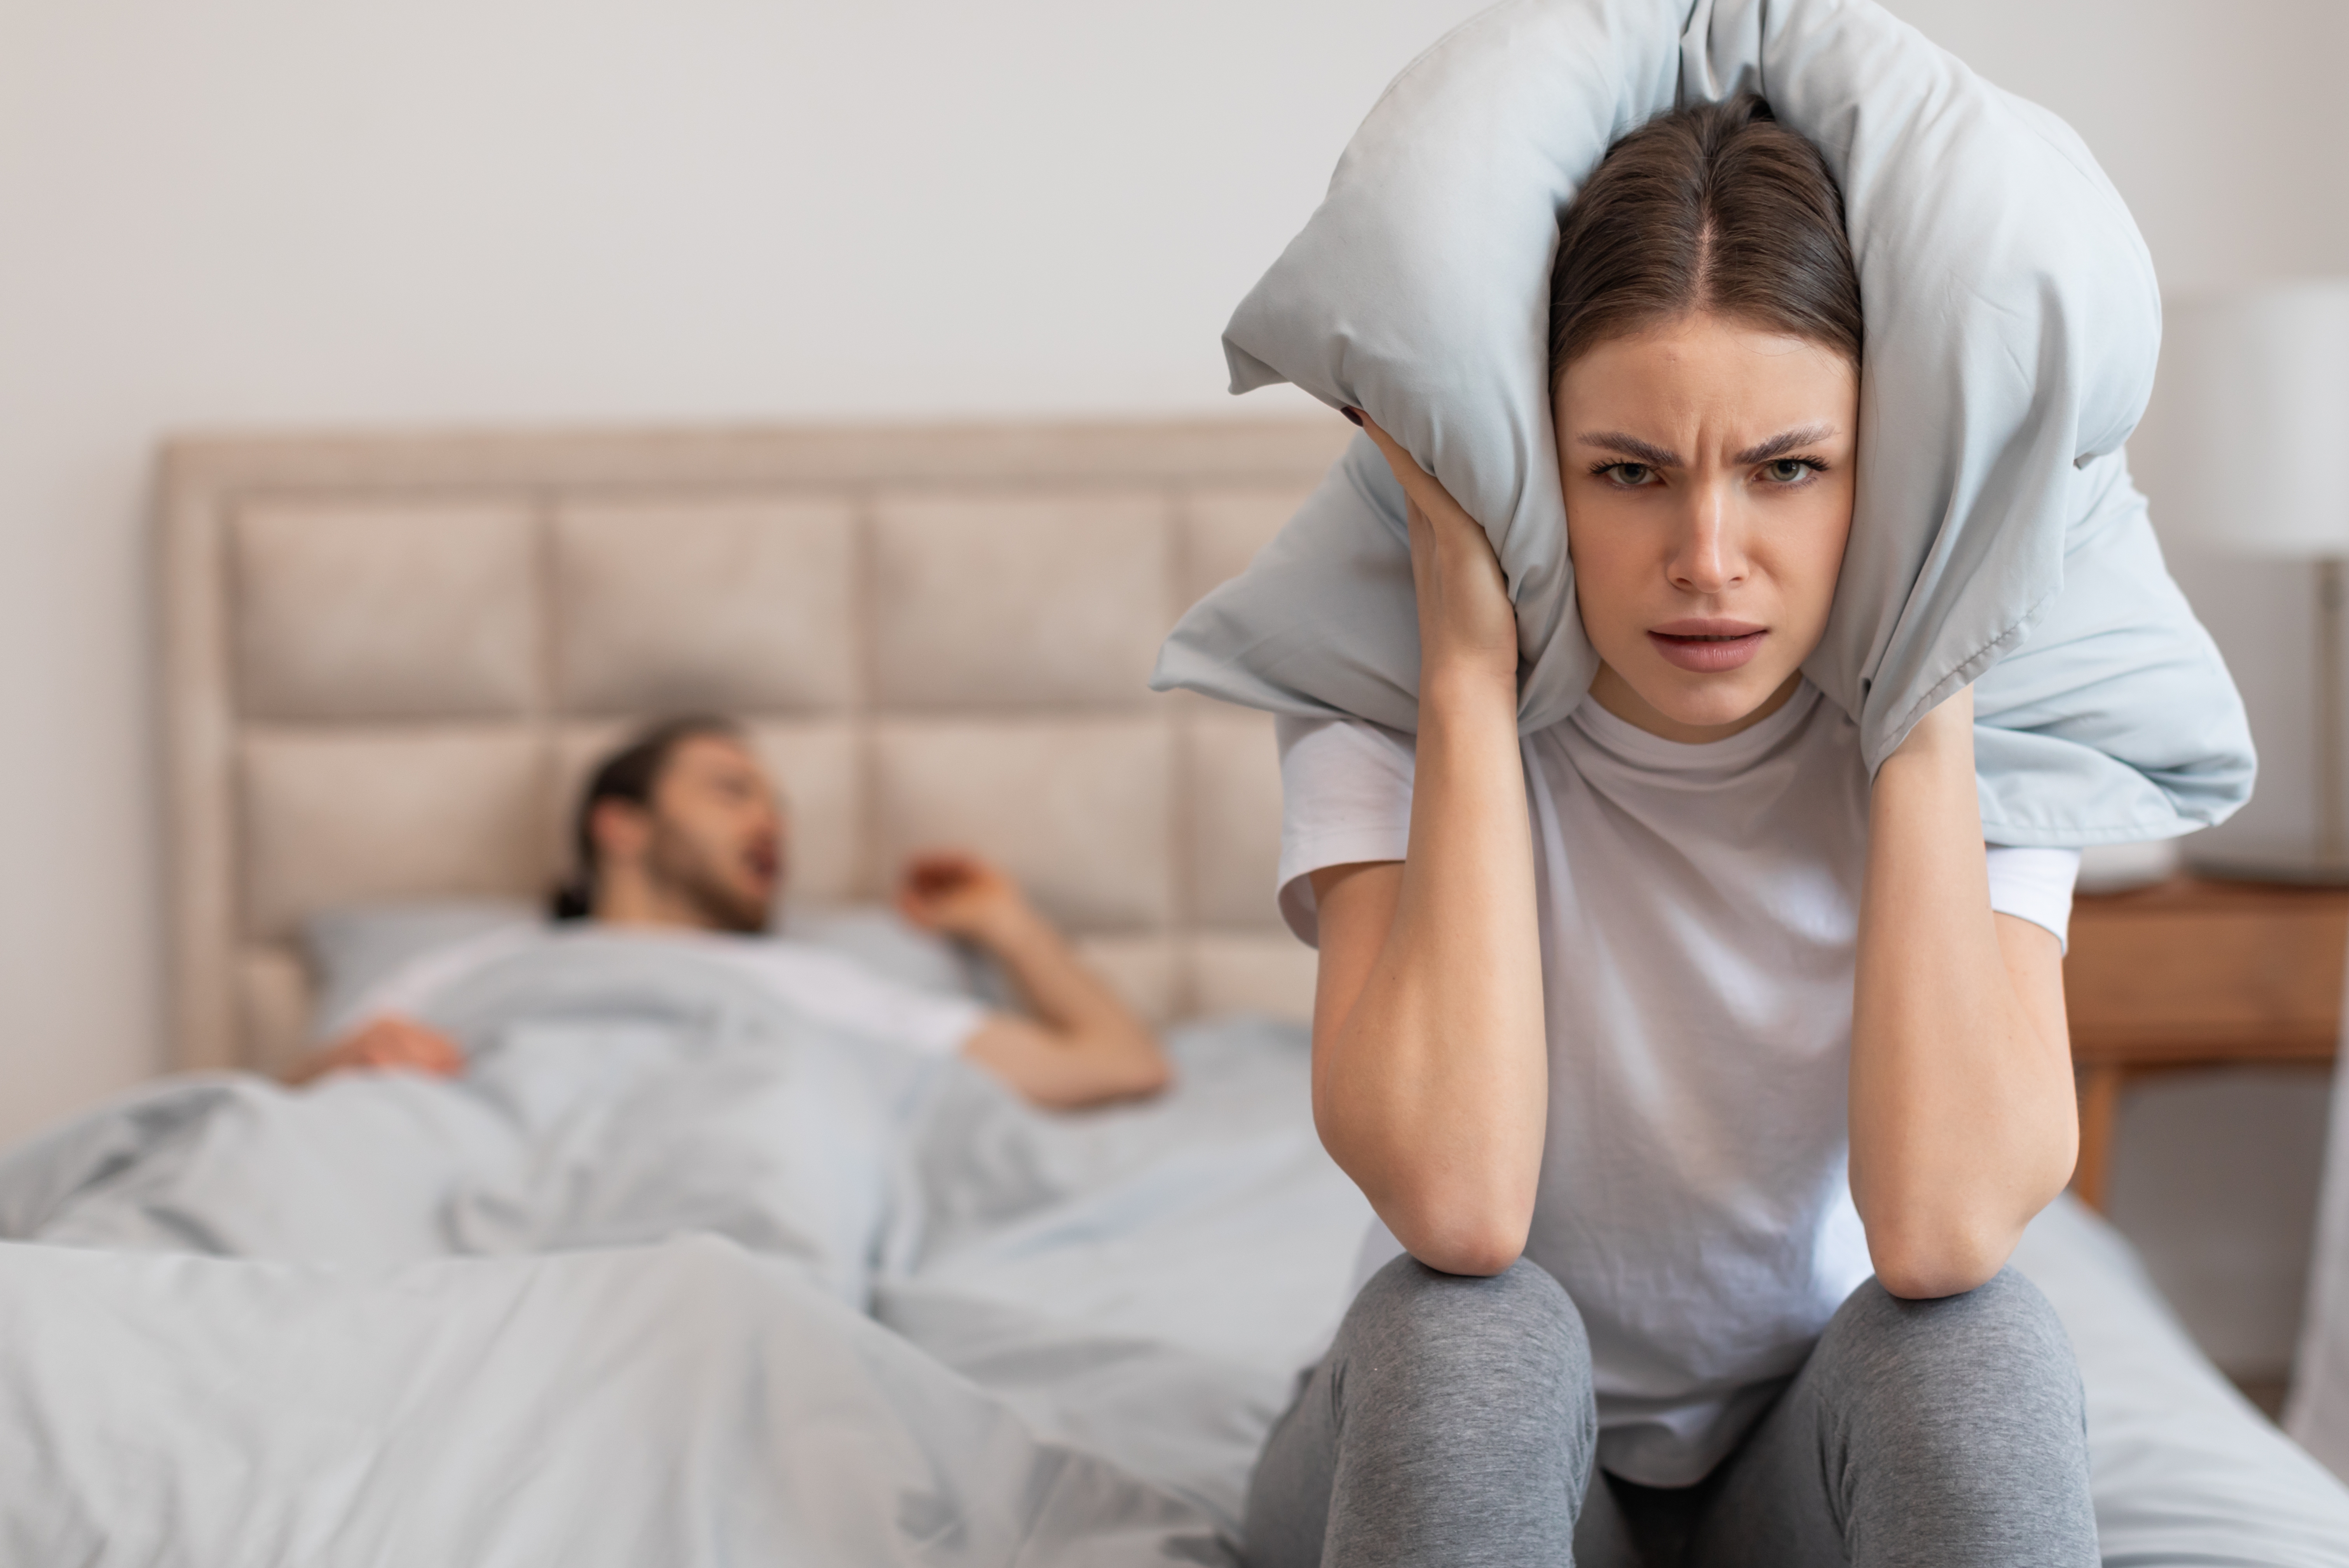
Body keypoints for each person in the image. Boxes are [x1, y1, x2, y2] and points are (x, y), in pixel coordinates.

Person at [1245, 95, 2096, 1567]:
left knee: (1977, 1350)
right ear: (1534, 466)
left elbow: (1943, 1228)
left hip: (1800, 1464)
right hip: (1472, 1453)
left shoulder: (1992, 723)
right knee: (1467, 1343)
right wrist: (1461, 662)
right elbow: (1456, 1206)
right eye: (1627, 472)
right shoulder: (1379, 701)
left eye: (1787, 468)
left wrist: (1923, 678)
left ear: (1875, 476)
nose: (1706, 561)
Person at [286, 715, 1171, 1110]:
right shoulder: (471, 968)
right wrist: (353, 1060)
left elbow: (1120, 1066)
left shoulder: (812, 984)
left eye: (778, 806)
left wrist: (1008, 926)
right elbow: (285, 1103)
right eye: (730, 791)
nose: (769, 821)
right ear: (620, 825)